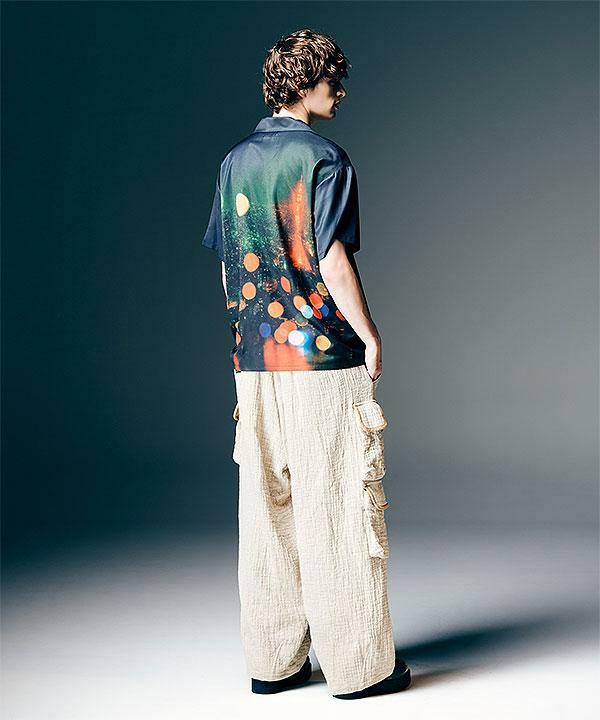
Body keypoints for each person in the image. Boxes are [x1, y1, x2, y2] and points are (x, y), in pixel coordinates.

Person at [201, 28, 411, 699]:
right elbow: (331, 258)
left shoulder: (235, 162)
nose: (339, 91)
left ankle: (274, 664)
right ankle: (359, 669)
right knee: (338, 507)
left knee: (267, 513)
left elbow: (230, 267)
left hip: (255, 362)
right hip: (321, 360)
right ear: (303, 83)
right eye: (331, 80)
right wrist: (369, 334)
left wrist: (244, 342)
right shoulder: (324, 159)